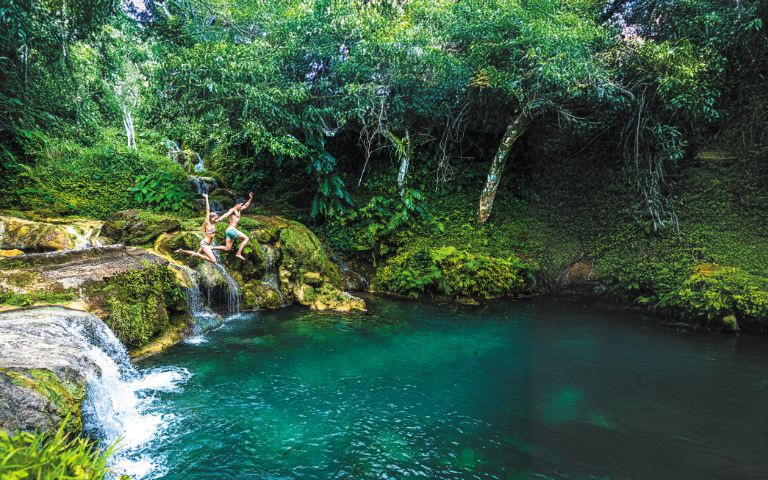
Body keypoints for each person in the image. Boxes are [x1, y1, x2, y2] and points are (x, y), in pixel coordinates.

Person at [175, 193, 219, 263]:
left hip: (206, 243)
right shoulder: (207, 223)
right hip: (205, 244)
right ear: (211, 218)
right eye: (216, 218)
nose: (217, 219)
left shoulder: (213, 224)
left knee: (196, 254)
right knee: (213, 260)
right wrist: (206, 198)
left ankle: (181, 250)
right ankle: (200, 256)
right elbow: (208, 210)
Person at [213, 192, 253, 260]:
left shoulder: (238, 210)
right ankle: (238, 253)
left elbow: (246, 206)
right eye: (240, 205)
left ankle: (211, 248)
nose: (241, 206)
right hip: (232, 230)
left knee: (227, 248)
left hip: (229, 231)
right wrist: (219, 219)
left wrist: (250, 198)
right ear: (237, 205)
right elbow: (226, 214)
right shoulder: (233, 210)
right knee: (246, 238)